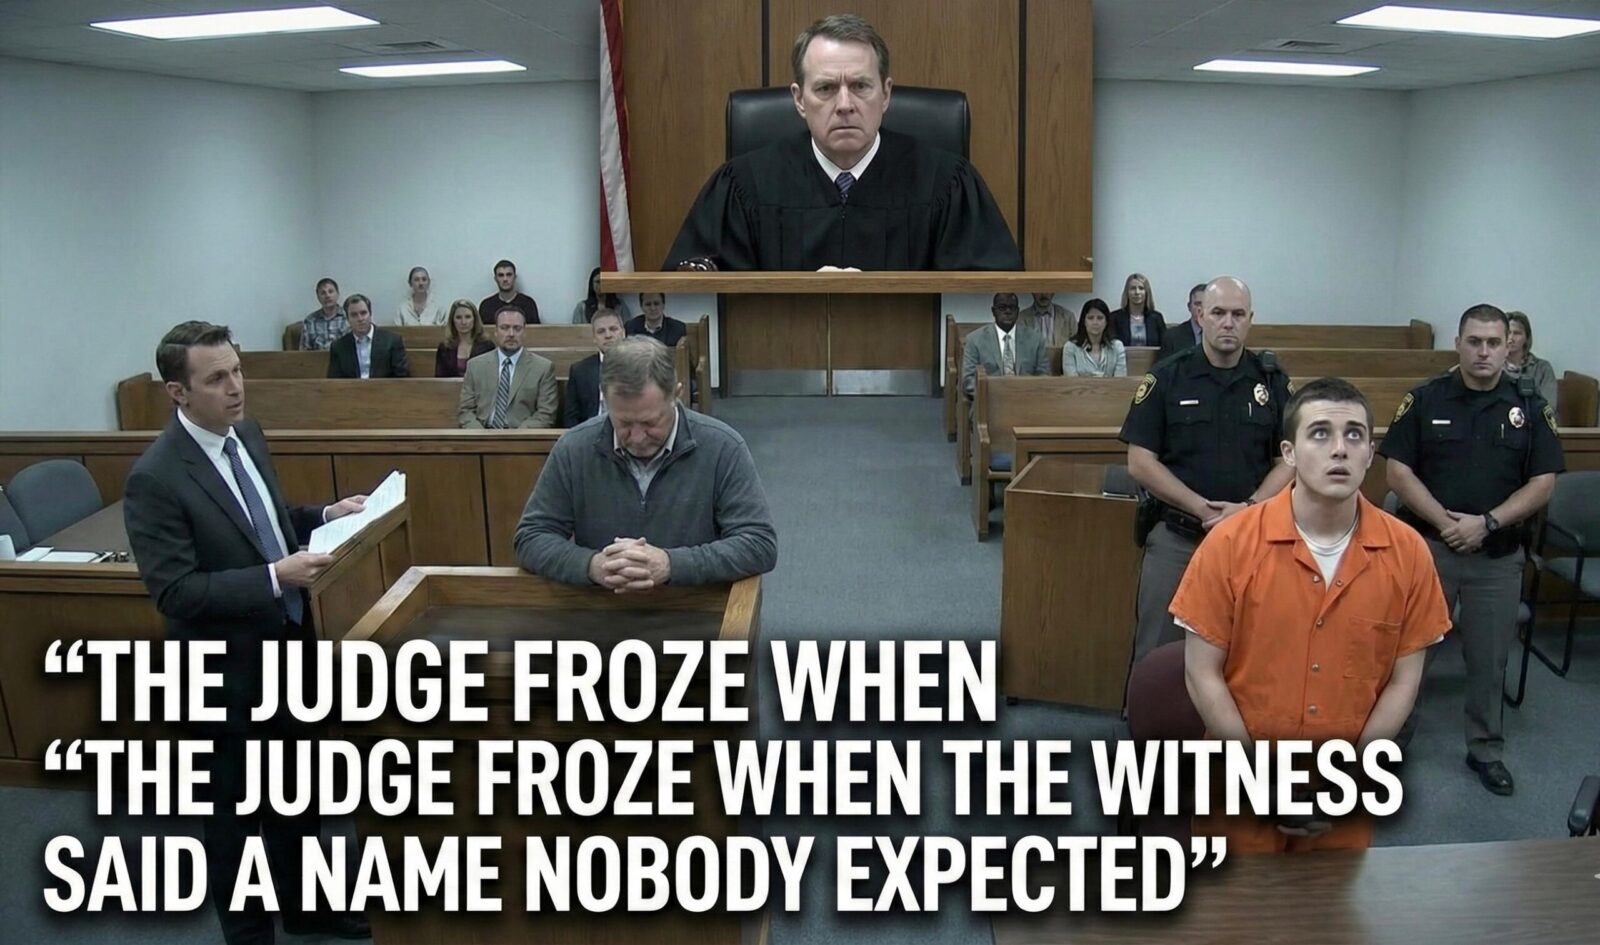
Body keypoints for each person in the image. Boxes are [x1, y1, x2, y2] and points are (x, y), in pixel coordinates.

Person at [122, 321, 370, 944]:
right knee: (233, 818)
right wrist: (273, 577)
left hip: (288, 650)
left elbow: (267, 521)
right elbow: (175, 591)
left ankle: (308, 911)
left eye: (237, 370)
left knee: (296, 793)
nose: (235, 387)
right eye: (216, 378)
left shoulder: (247, 434)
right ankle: (250, 934)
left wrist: (323, 514)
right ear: (178, 393)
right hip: (221, 675)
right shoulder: (155, 477)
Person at [1174, 377, 1451, 854]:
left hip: (1343, 790)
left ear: (1370, 454)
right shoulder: (1230, 543)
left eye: (1354, 435)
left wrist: (1350, 777)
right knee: (1233, 902)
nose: (1339, 449)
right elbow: (1201, 674)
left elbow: (1404, 682)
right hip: (1241, 780)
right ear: (1289, 453)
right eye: (1320, 433)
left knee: (1329, 901)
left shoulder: (1409, 553)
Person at [663, 13, 1020, 271]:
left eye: (860, 86)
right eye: (826, 88)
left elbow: (987, 302)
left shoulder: (946, 183)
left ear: (886, 94)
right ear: (799, 99)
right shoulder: (744, 186)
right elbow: (693, 302)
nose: (845, 104)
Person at [1379, 303, 1564, 796]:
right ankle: (1391, 744)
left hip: (1496, 557)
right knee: (1411, 654)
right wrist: (1447, 524)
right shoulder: (1425, 398)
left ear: (1509, 347)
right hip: (1430, 551)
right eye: (1474, 342)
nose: (1484, 351)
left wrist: (1487, 523)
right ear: (1458, 344)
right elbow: (1397, 471)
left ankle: (1485, 749)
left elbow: (1543, 482)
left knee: (1489, 659)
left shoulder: (1529, 407)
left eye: (1493, 343)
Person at [1120, 276, 1295, 663]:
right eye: (1218, 313)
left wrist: (1248, 509)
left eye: (1238, 314)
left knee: (1253, 651)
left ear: (1250, 319)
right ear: (1200, 316)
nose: (1228, 323)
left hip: (1252, 538)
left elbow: (1290, 460)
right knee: (1157, 651)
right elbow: (1140, 461)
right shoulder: (1167, 377)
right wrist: (1202, 509)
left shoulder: (1271, 381)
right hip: (1179, 536)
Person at [514, 336, 777, 587]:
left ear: (677, 394)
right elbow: (531, 537)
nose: (638, 437)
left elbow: (759, 544)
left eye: (650, 422)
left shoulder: (723, 447)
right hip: (600, 607)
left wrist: (672, 564)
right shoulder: (574, 448)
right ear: (605, 399)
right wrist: (592, 565)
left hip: (695, 608)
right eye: (624, 423)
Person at [457, 306, 557, 429]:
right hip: (482, 434)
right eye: (504, 328)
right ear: (496, 331)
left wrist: (516, 436)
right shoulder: (475, 366)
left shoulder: (543, 368)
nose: (511, 334)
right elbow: (466, 411)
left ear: (524, 332)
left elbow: (545, 414)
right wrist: (481, 435)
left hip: (522, 436)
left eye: (517, 328)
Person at [960, 292, 1049, 399]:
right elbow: (968, 381)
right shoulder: (974, 340)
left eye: (1012, 308)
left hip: (1027, 400)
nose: (1008, 312)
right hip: (989, 401)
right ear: (993, 311)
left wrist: (1028, 395)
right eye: (1002, 308)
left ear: (1017, 311)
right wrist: (998, 396)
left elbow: (1044, 376)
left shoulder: (1035, 339)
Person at [564, 308, 626, 427]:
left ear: (623, 333)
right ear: (594, 338)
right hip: (591, 431)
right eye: (601, 331)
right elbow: (571, 417)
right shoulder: (580, 370)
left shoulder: (639, 366)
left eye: (613, 329)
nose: (608, 335)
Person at [327, 294, 410, 378]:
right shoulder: (338, 346)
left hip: (383, 386)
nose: (360, 319)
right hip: (351, 386)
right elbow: (334, 380)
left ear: (370, 314)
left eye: (363, 313)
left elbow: (401, 377)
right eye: (354, 315)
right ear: (348, 319)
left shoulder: (392, 341)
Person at [1503, 310, 1558, 411]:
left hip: (1535, 418)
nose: (1511, 338)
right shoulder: (1495, 366)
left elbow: (1549, 406)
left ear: (1526, 338)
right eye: (1507, 333)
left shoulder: (1542, 368)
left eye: (1517, 333)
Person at [1063, 298, 1127, 377]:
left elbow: (1120, 380)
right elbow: (1071, 381)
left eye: (1100, 318)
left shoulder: (1117, 347)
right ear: (1084, 321)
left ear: (1106, 322)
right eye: (1090, 318)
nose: (1095, 322)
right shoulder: (1070, 347)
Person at [433, 299, 495, 378]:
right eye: (458, 317)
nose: (463, 322)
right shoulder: (445, 347)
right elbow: (439, 378)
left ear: (474, 319)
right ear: (452, 321)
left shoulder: (487, 346)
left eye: (468, 317)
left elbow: (492, 376)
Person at [1111, 272, 1166, 348]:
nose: (1137, 292)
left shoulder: (1156, 318)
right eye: (1133, 288)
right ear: (1127, 292)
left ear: (1147, 292)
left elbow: (1165, 345)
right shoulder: (1115, 318)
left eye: (1141, 288)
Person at [479, 258, 541, 325]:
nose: (505, 279)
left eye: (509, 275)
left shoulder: (528, 303)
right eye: (501, 275)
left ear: (515, 277)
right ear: (495, 279)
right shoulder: (486, 306)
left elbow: (536, 330)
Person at [1158, 283, 1207, 361]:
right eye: (1197, 304)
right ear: (1189, 307)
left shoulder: (1221, 334)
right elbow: (1163, 367)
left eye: (1206, 304)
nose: (1201, 309)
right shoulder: (1172, 337)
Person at [299, 277, 348, 351]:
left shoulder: (348, 317)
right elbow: (304, 351)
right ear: (318, 297)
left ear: (338, 294)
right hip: (318, 358)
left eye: (330, 291)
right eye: (323, 293)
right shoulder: (310, 320)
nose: (327, 296)